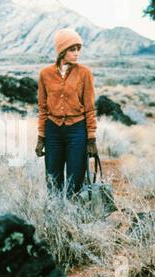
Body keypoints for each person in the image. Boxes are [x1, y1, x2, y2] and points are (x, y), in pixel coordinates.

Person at [35, 28, 98, 197]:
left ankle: (74, 218)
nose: (76, 53)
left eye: (78, 49)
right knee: (53, 179)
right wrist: (41, 137)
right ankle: (56, 216)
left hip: (77, 130)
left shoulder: (85, 73)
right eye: (72, 49)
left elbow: (90, 107)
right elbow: (42, 108)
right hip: (53, 130)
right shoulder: (45, 74)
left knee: (75, 180)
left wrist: (91, 137)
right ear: (62, 51)